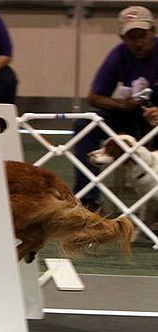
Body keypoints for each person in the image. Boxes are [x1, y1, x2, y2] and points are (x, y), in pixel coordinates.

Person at [73, 5, 158, 211]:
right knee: (84, 126)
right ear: (122, 37)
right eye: (132, 37)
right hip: (128, 114)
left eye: (142, 36)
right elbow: (94, 97)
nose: (137, 42)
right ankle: (88, 199)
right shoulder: (118, 55)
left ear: (153, 32)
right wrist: (122, 104)